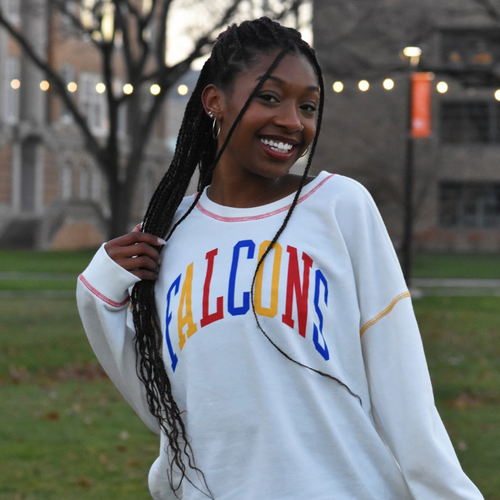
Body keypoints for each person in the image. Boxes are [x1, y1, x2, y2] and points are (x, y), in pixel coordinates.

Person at [77, 17, 484, 500]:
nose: (293, 121)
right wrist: (98, 293)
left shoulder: (339, 207)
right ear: (214, 102)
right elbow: (162, 403)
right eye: (270, 97)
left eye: (308, 106)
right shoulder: (172, 233)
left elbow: (403, 383)